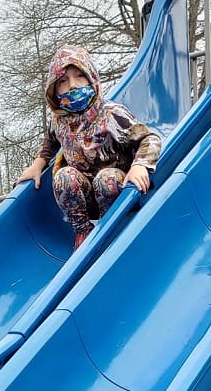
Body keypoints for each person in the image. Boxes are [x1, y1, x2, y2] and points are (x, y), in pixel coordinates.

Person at [16, 45, 162, 251]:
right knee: (64, 175)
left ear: (91, 79)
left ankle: (112, 226)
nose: (72, 86)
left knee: (107, 178)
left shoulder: (111, 114)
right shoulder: (59, 121)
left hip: (116, 191)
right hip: (84, 196)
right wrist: (37, 165)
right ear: (54, 89)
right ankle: (83, 231)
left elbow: (150, 139)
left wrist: (140, 166)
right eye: (63, 81)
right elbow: (51, 141)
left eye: (79, 76)